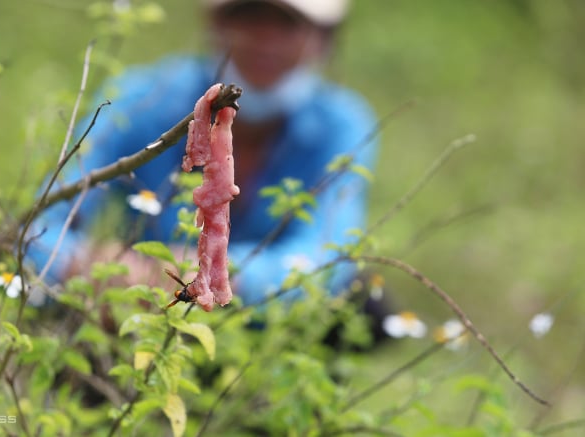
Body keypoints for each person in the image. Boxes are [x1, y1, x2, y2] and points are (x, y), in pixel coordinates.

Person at [27, 0, 379, 310]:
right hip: (132, 306)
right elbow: (42, 222)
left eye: (288, 25)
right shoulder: (143, 98)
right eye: (251, 17)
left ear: (322, 39)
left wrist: (226, 276)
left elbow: (327, 257)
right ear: (218, 25)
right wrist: (82, 265)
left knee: (365, 305)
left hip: (253, 322)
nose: (267, 41)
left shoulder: (342, 126)